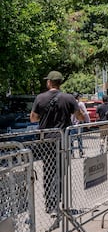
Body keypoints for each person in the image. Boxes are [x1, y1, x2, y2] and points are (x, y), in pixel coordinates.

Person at [30, 70, 84, 214]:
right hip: (62, 140)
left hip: (46, 140)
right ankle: (56, 202)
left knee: (48, 171)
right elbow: (79, 116)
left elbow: (33, 118)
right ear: (60, 83)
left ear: (49, 82)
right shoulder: (69, 98)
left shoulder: (40, 98)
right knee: (60, 172)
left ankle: (49, 203)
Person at [70, 92, 90, 157]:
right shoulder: (80, 103)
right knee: (79, 138)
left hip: (71, 125)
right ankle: (81, 152)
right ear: (78, 97)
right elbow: (85, 113)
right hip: (79, 124)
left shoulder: (70, 104)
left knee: (71, 140)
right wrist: (88, 123)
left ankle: (71, 153)